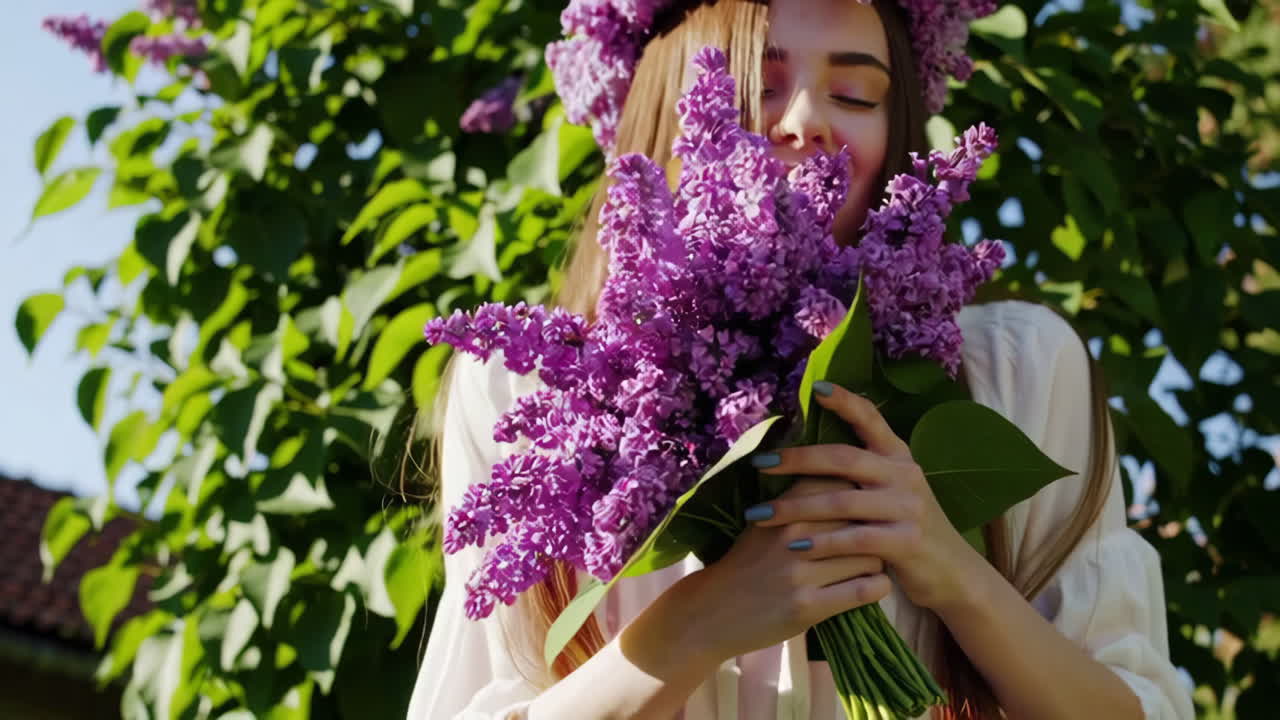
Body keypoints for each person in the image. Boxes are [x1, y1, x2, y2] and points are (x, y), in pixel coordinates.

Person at [407, 0, 1196, 717]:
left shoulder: (1014, 371)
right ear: (665, 108)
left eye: (857, 95)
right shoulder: (532, 389)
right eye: (760, 83)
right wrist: (691, 629)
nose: (809, 120)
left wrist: (951, 570)